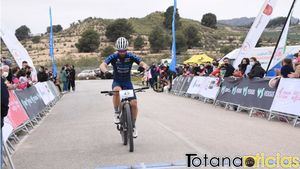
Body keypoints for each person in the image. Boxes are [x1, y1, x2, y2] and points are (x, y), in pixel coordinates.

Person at [100, 37, 148, 138]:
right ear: (117, 50)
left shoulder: (131, 56)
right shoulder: (113, 56)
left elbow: (144, 64)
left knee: (134, 104)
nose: (122, 52)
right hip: (117, 81)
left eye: (124, 51)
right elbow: (102, 65)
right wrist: (106, 72)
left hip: (127, 83)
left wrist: (142, 67)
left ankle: (133, 126)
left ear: (127, 49)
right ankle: (117, 112)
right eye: (120, 51)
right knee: (117, 90)